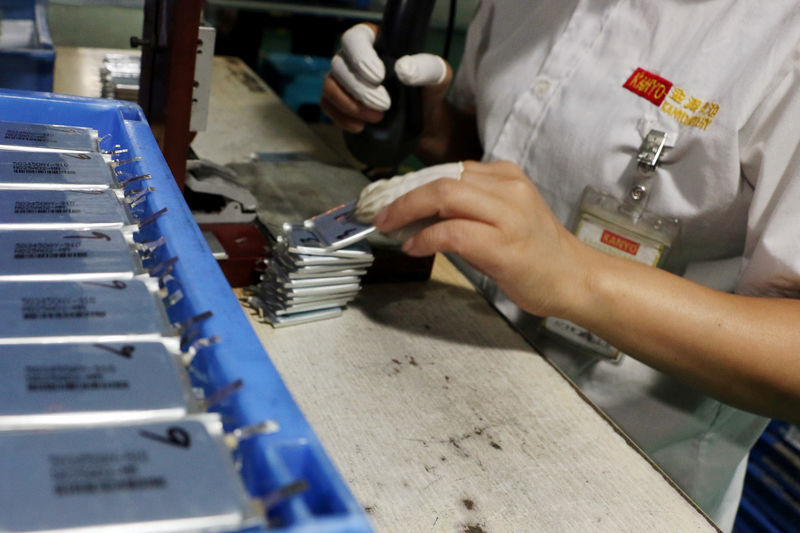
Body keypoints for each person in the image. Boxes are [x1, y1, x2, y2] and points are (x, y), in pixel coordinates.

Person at [320, 2, 800, 531]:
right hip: (435, 397)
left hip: (619, 482)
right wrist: (428, 121)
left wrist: (577, 276)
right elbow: (502, 152)